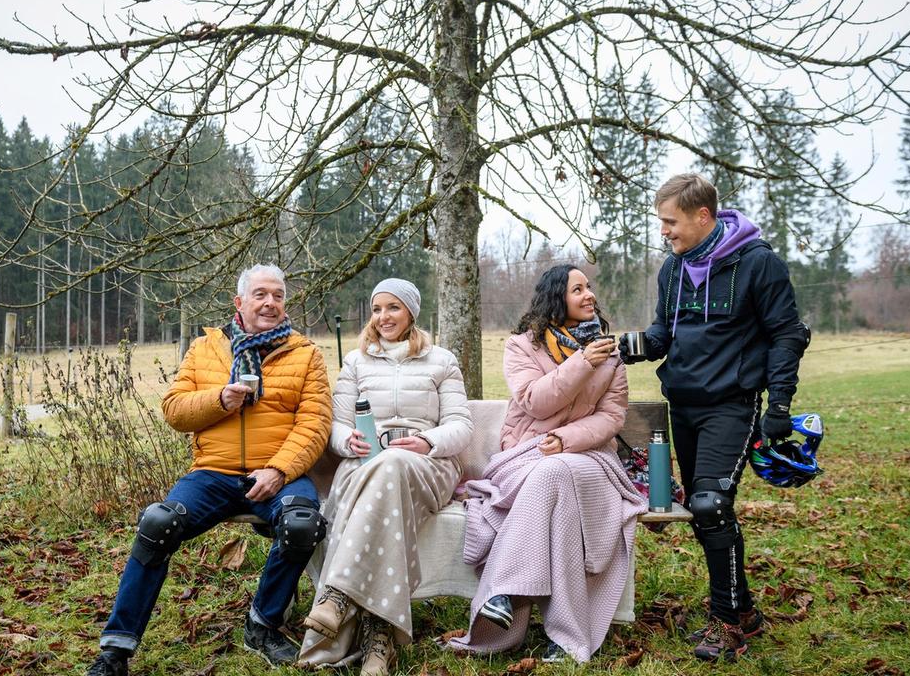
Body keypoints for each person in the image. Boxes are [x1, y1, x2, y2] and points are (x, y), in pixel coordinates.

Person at [85, 264, 333, 676]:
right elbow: (174, 410)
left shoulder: (305, 353)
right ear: (239, 302)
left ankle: (263, 624)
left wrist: (278, 470)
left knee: (303, 524)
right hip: (212, 473)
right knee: (158, 523)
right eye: (260, 294)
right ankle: (116, 650)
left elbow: (315, 424)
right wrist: (219, 399)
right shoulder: (206, 349)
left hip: (276, 473)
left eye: (278, 295)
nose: (270, 302)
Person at [618, 173, 810, 662]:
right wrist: (623, 347)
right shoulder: (672, 268)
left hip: (732, 405)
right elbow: (664, 334)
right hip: (683, 406)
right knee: (707, 515)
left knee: (708, 504)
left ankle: (726, 625)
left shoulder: (758, 264)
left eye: (670, 221)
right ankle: (743, 609)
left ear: (703, 216)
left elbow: (788, 334)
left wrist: (781, 405)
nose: (664, 231)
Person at [447, 265, 646, 663]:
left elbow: (611, 417)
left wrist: (567, 439)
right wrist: (583, 362)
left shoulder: (611, 356)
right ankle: (566, 633)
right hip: (525, 455)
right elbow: (535, 400)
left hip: (589, 457)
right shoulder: (522, 346)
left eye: (589, 287)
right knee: (553, 481)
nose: (589, 294)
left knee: (556, 471)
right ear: (557, 298)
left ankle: (504, 592)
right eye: (578, 289)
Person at [297, 278, 473, 676]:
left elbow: (461, 425)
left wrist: (427, 441)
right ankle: (380, 639)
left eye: (392, 308)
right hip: (365, 462)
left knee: (393, 464)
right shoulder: (356, 362)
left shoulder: (441, 360)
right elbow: (337, 426)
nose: (383, 317)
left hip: (427, 463)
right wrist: (349, 441)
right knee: (384, 469)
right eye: (377, 309)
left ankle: (338, 594)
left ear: (411, 311)